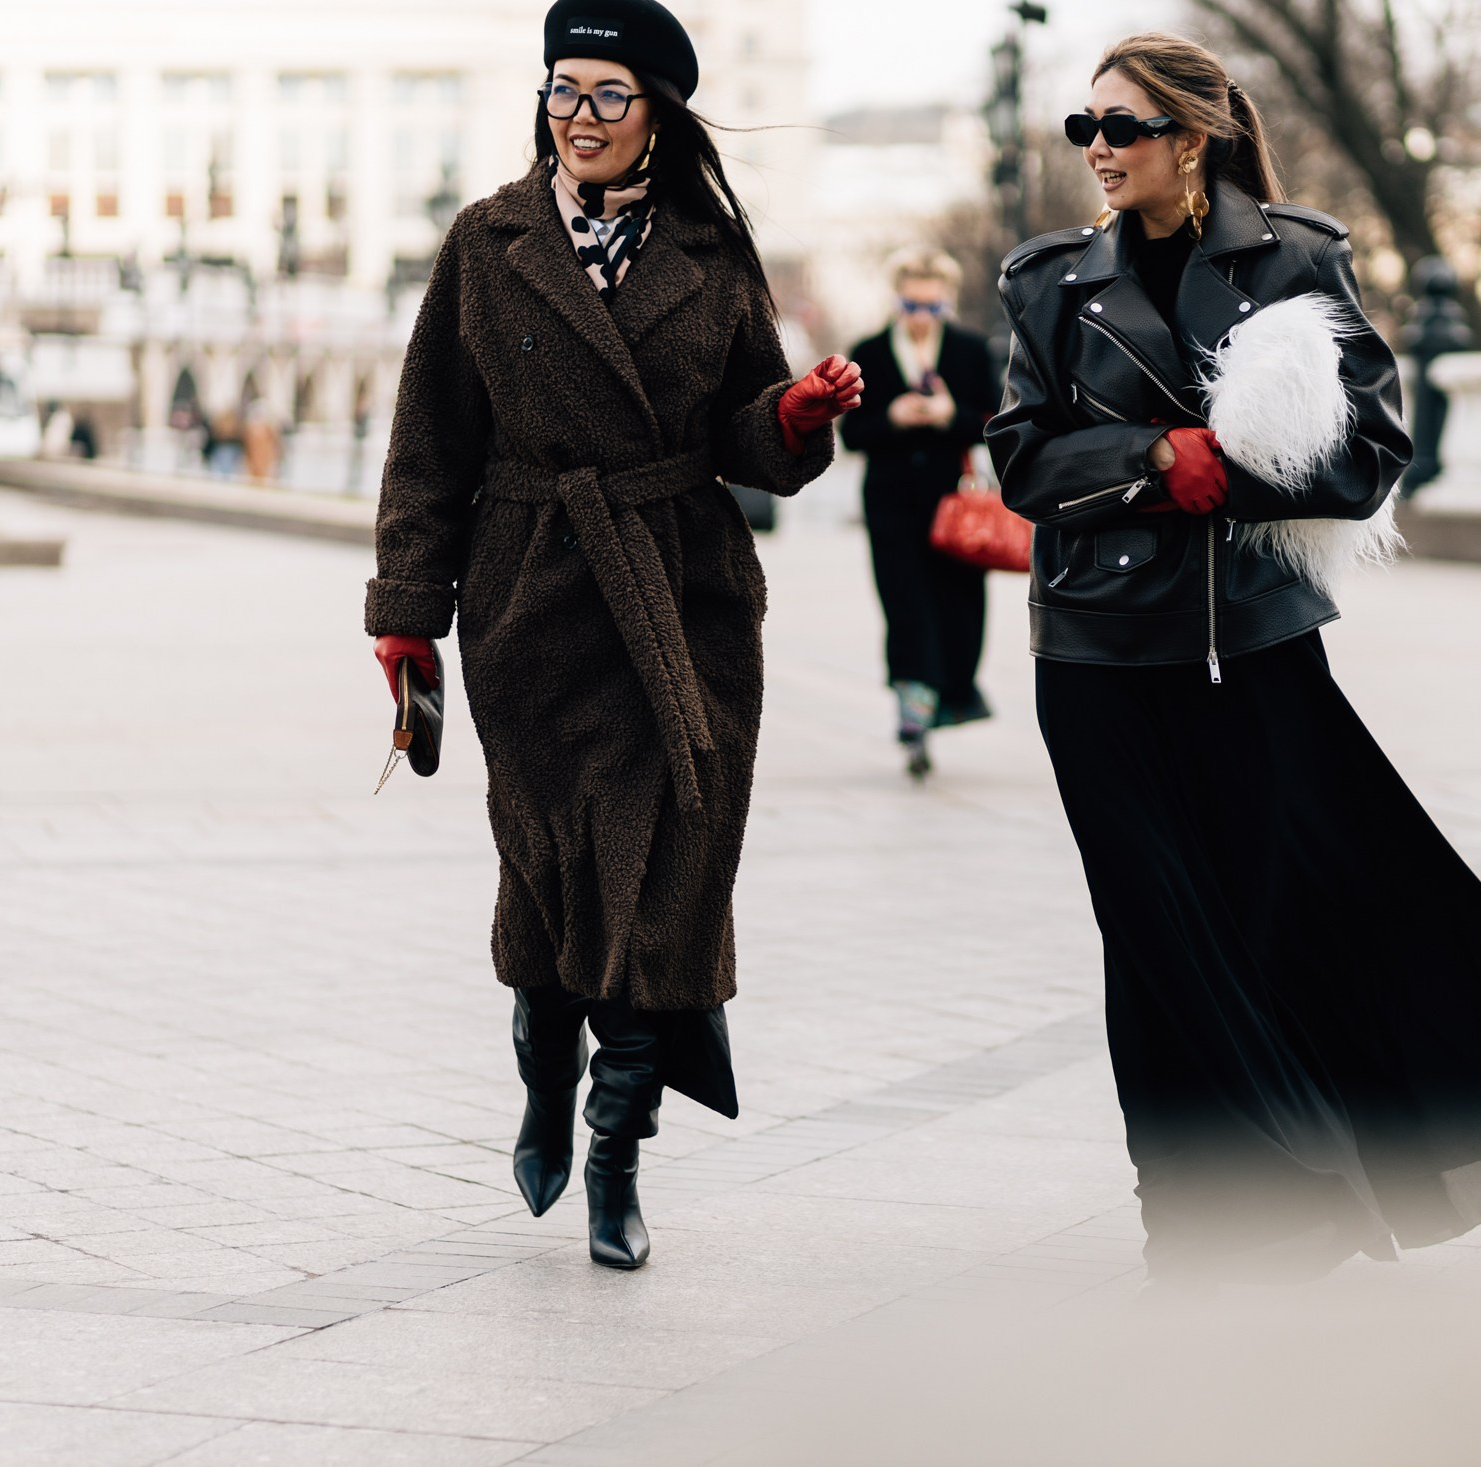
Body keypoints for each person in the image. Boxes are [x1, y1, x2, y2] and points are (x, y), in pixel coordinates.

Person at [988, 33, 1481, 1278]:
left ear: (1191, 138)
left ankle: (1314, 1185)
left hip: (1251, 650)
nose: (1094, 149)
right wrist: (1152, 462)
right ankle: (1191, 1210)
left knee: (1286, 911)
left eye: (1121, 127)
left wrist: (1255, 452)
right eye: (1082, 127)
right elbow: (1021, 460)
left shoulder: (1297, 260)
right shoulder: (1047, 283)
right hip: (1098, 656)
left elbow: (1371, 458)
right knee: (1150, 933)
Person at [363, 0, 861, 1269]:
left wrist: (796, 417)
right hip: (533, 600)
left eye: (606, 95)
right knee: (554, 876)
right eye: (561, 91)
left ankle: (615, 1156)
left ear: (660, 115)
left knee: (675, 879)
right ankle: (544, 1064)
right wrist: (408, 616)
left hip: (685, 598)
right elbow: (429, 444)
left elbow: (745, 438)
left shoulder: (712, 250)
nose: (577, 118)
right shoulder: (489, 243)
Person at [838, 248, 997, 777]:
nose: (922, 316)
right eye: (912, 303)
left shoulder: (971, 351)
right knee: (904, 604)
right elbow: (852, 433)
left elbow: (997, 420)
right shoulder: (870, 352)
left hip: (954, 501)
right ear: (896, 300)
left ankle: (951, 692)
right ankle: (914, 707)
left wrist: (952, 415)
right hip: (891, 501)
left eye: (932, 306)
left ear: (946, 302)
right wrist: (893, 417)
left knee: (959, 605)